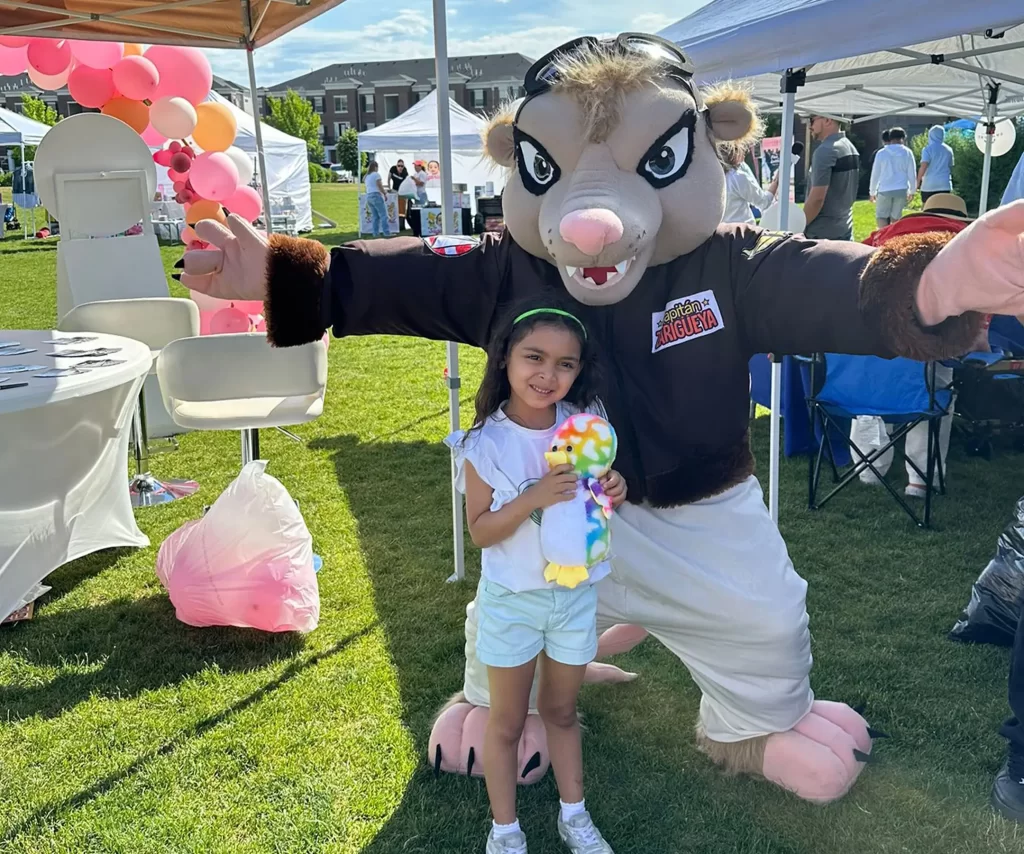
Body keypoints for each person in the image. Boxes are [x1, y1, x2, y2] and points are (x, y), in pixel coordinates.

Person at [448, 302, 626, 854]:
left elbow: (593, 503)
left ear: (578, 371)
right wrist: (534, 497)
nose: (548, 375)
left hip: (573, 597)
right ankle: (505, 831)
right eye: (534, 358)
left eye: (565, 364)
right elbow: (481, 531)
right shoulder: (486, 444)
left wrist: (612, 487)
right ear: (505, 358)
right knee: (505, 721)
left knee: (562, 711)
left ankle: (574, 816)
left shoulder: (583, 426)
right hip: (512, 601)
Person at [853, 193, 978, 498]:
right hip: (925, 348)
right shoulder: (963, 244)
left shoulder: (879, 238)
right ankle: (920, 480)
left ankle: (869, 469)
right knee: (933, 389)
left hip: (869, 349)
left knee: (876, 388)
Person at [803, 114, 861, 240]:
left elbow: (817, 199)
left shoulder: (825, 151)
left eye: (811, 120)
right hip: (844, 230)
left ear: (827, 120)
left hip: (822, 234)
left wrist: (800, 224)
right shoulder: (850, 146)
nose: (809, 126)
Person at [869, 126, 918, 228]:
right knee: (896, 218)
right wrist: (912, 190)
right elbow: (912, 173)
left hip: (885, 189)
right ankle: (894, 236)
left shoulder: (881, 153)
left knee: (882, 216)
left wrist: (872, 191)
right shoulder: (907, 152)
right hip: (901, 188)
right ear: (903, 138)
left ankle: (883, 235)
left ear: (890, 138)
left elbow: (875, 174)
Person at [721, 142, 778, 224]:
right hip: (743, 229)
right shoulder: (737, 177)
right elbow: (764, 202)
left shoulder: (710, 178)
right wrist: (777, 179)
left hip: (720, 230)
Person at [917, 125, 955, 202]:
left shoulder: (927, 149)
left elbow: (923, 166)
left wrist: (917, 182)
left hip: (929, 184)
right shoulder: (948, 150)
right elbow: (950, 165)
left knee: (928, 206)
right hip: (944, 184)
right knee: (943, 207)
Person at [364, 160, 389, 238]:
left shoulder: (367, 176)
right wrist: (384, 193)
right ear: (375, 167)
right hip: (376, 195)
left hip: (369, 196)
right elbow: (379, 185)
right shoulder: (376, 175)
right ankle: (386, 232)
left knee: (375, 216)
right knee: (384, 215)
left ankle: (375, 233)